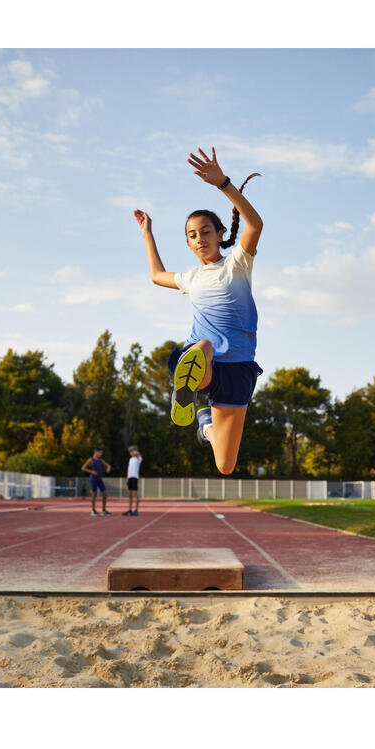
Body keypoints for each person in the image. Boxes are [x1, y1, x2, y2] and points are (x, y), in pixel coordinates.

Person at [133, 146, 263, 475]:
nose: (200, 238)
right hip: (204, 358)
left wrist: (224, 184)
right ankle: (187, 388)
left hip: (238, 368)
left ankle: (204, 422)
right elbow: (156, 276)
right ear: (188, 244)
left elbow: (255, 224)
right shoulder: (190, 278)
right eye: (193, 235)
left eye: (206, 231)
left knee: (225, 464)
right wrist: (148, 234)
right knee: (203, 345)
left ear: (220, 235)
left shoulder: (237, 264)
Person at [80, 447, 112, 516]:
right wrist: (91, 471)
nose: (101, 454)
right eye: (100, 452)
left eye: (101, 453)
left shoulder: (100, 460)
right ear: (95, 452)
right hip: (93, 478)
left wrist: (108, 468)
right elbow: (83, 468)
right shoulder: (91, 460)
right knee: (94, 493)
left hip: (99, 478)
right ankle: (93, 510)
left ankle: (103, 510)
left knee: (104, 493)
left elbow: (108, 465)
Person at [123, 445, 143, 516]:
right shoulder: (130, 459)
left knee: (135, 494)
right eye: (130, 452)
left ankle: (136, 510)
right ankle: (129, 509)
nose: (131, 453)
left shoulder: (138, 458)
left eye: (132, 451)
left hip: (135, 477)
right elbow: (129, 469)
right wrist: (127, 478)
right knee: (129, 495)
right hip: (130, 477)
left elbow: (138, 454)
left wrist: (136, 452)